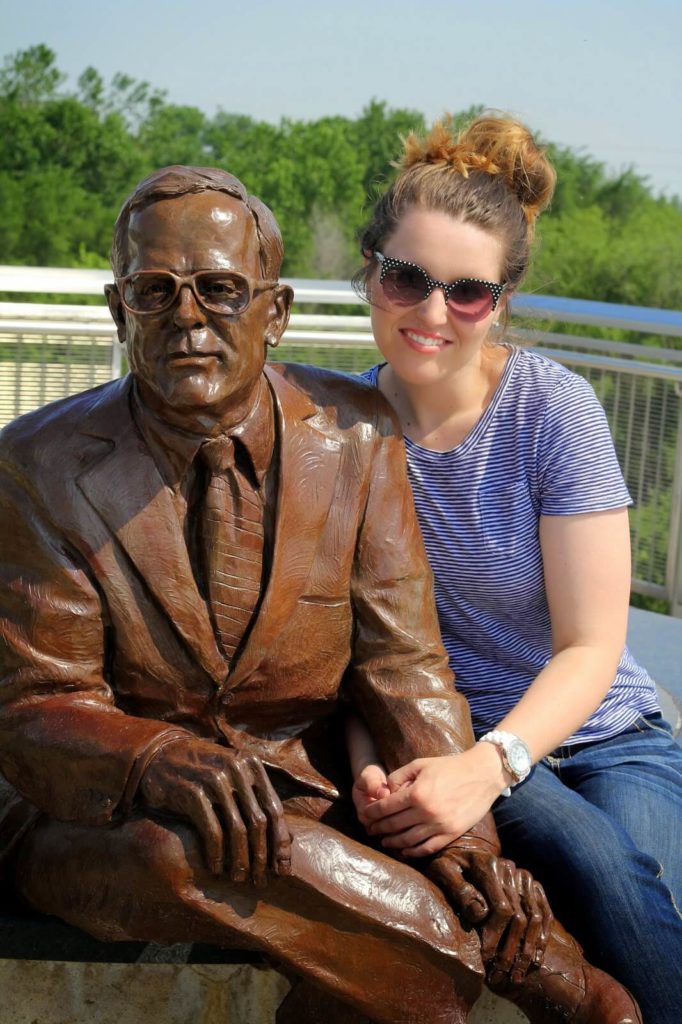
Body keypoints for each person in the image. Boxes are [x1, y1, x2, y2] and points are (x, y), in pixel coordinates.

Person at [0, 164, 641, 1024]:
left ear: (277, 311)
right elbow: (35, 702)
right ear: (120, 314)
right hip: (102, 814)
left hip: (305, 787)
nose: (188, 319)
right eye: (155, 293)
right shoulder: (35, 467)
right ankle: (567, 988)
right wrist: (155, 758)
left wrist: (467, 843)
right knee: (174, 849)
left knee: (437, 888)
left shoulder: (356, 439)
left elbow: (405, 666)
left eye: (221, 290)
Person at [347, 115, 682, 1024]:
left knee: (653, 895)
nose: (428, 313)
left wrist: (491, 768)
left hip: (607, 728)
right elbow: (344, 643)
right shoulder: (339, 433)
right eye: (406, 278)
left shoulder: (550, 409)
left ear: (499, 304)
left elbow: (591, 643)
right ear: (369, 270)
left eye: (466, 292)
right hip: (459, 729)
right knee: (604, 873)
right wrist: (374, 761)